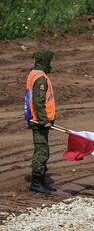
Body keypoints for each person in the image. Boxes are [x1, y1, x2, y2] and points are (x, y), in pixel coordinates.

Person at [25, 50, 57, 195]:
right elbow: (39, 102)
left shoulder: (35, 74)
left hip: (39, 120)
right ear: (44, 61)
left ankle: (42, 181)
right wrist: (44, 121)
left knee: (44, 150)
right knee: (42, 152)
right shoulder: (40, 78)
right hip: (39, 121)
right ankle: (36, 183)